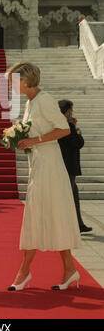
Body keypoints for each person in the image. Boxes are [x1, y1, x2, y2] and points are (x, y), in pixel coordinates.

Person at [6, 62, 81, 291]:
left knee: (40, 214)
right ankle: (69, 269)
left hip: (50, 166)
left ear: (25, 80)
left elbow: (64, 129)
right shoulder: (31, 102)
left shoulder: (45, 99)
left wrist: (34, 141)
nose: (10, 85)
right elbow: (37, 131)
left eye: (12, 81)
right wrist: (21, 139)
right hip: (39, 163)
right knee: (46, 214)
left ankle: (24, 271)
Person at [58, 100, 92, 233]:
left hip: (63, 164)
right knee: (68, 197)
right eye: (71, 110)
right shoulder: (68, 126)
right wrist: (78, 132)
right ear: (67, 111)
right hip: (69, 166)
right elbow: (78, 143)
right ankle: (66, 226)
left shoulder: (58, 123)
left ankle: (79, 224)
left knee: (74, 195)